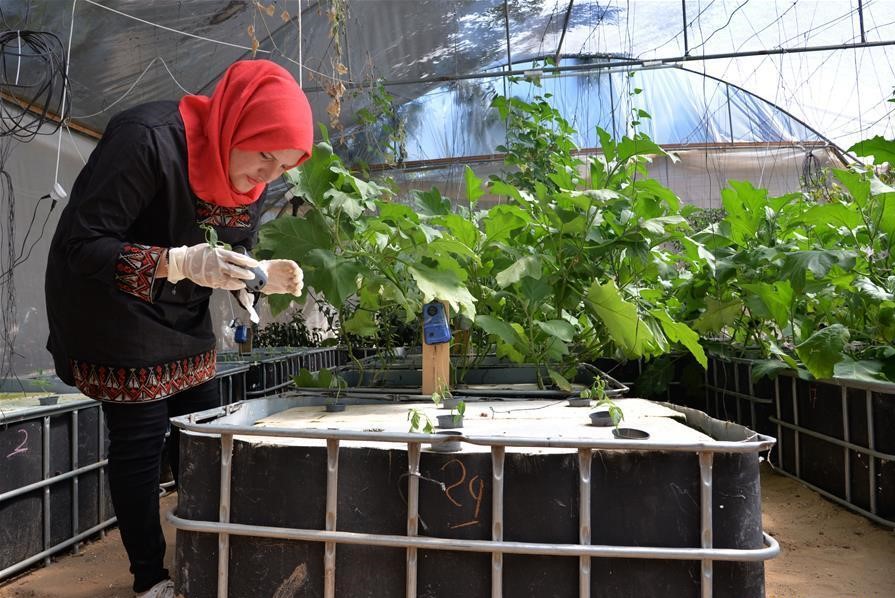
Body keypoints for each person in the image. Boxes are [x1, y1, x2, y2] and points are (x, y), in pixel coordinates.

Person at [44, 59, 313, 598]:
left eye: (283, 166)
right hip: (112, 308)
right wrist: (178, 263)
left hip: (182, 310)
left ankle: (209, 552)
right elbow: (84, 246)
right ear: (237, 123)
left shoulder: (251, 186)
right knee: (141, 441)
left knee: (201, 431)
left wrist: (257, 275)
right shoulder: (147, 140)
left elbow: (232, 252)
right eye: (264, 154)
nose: (268, 175)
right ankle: (150, 578)